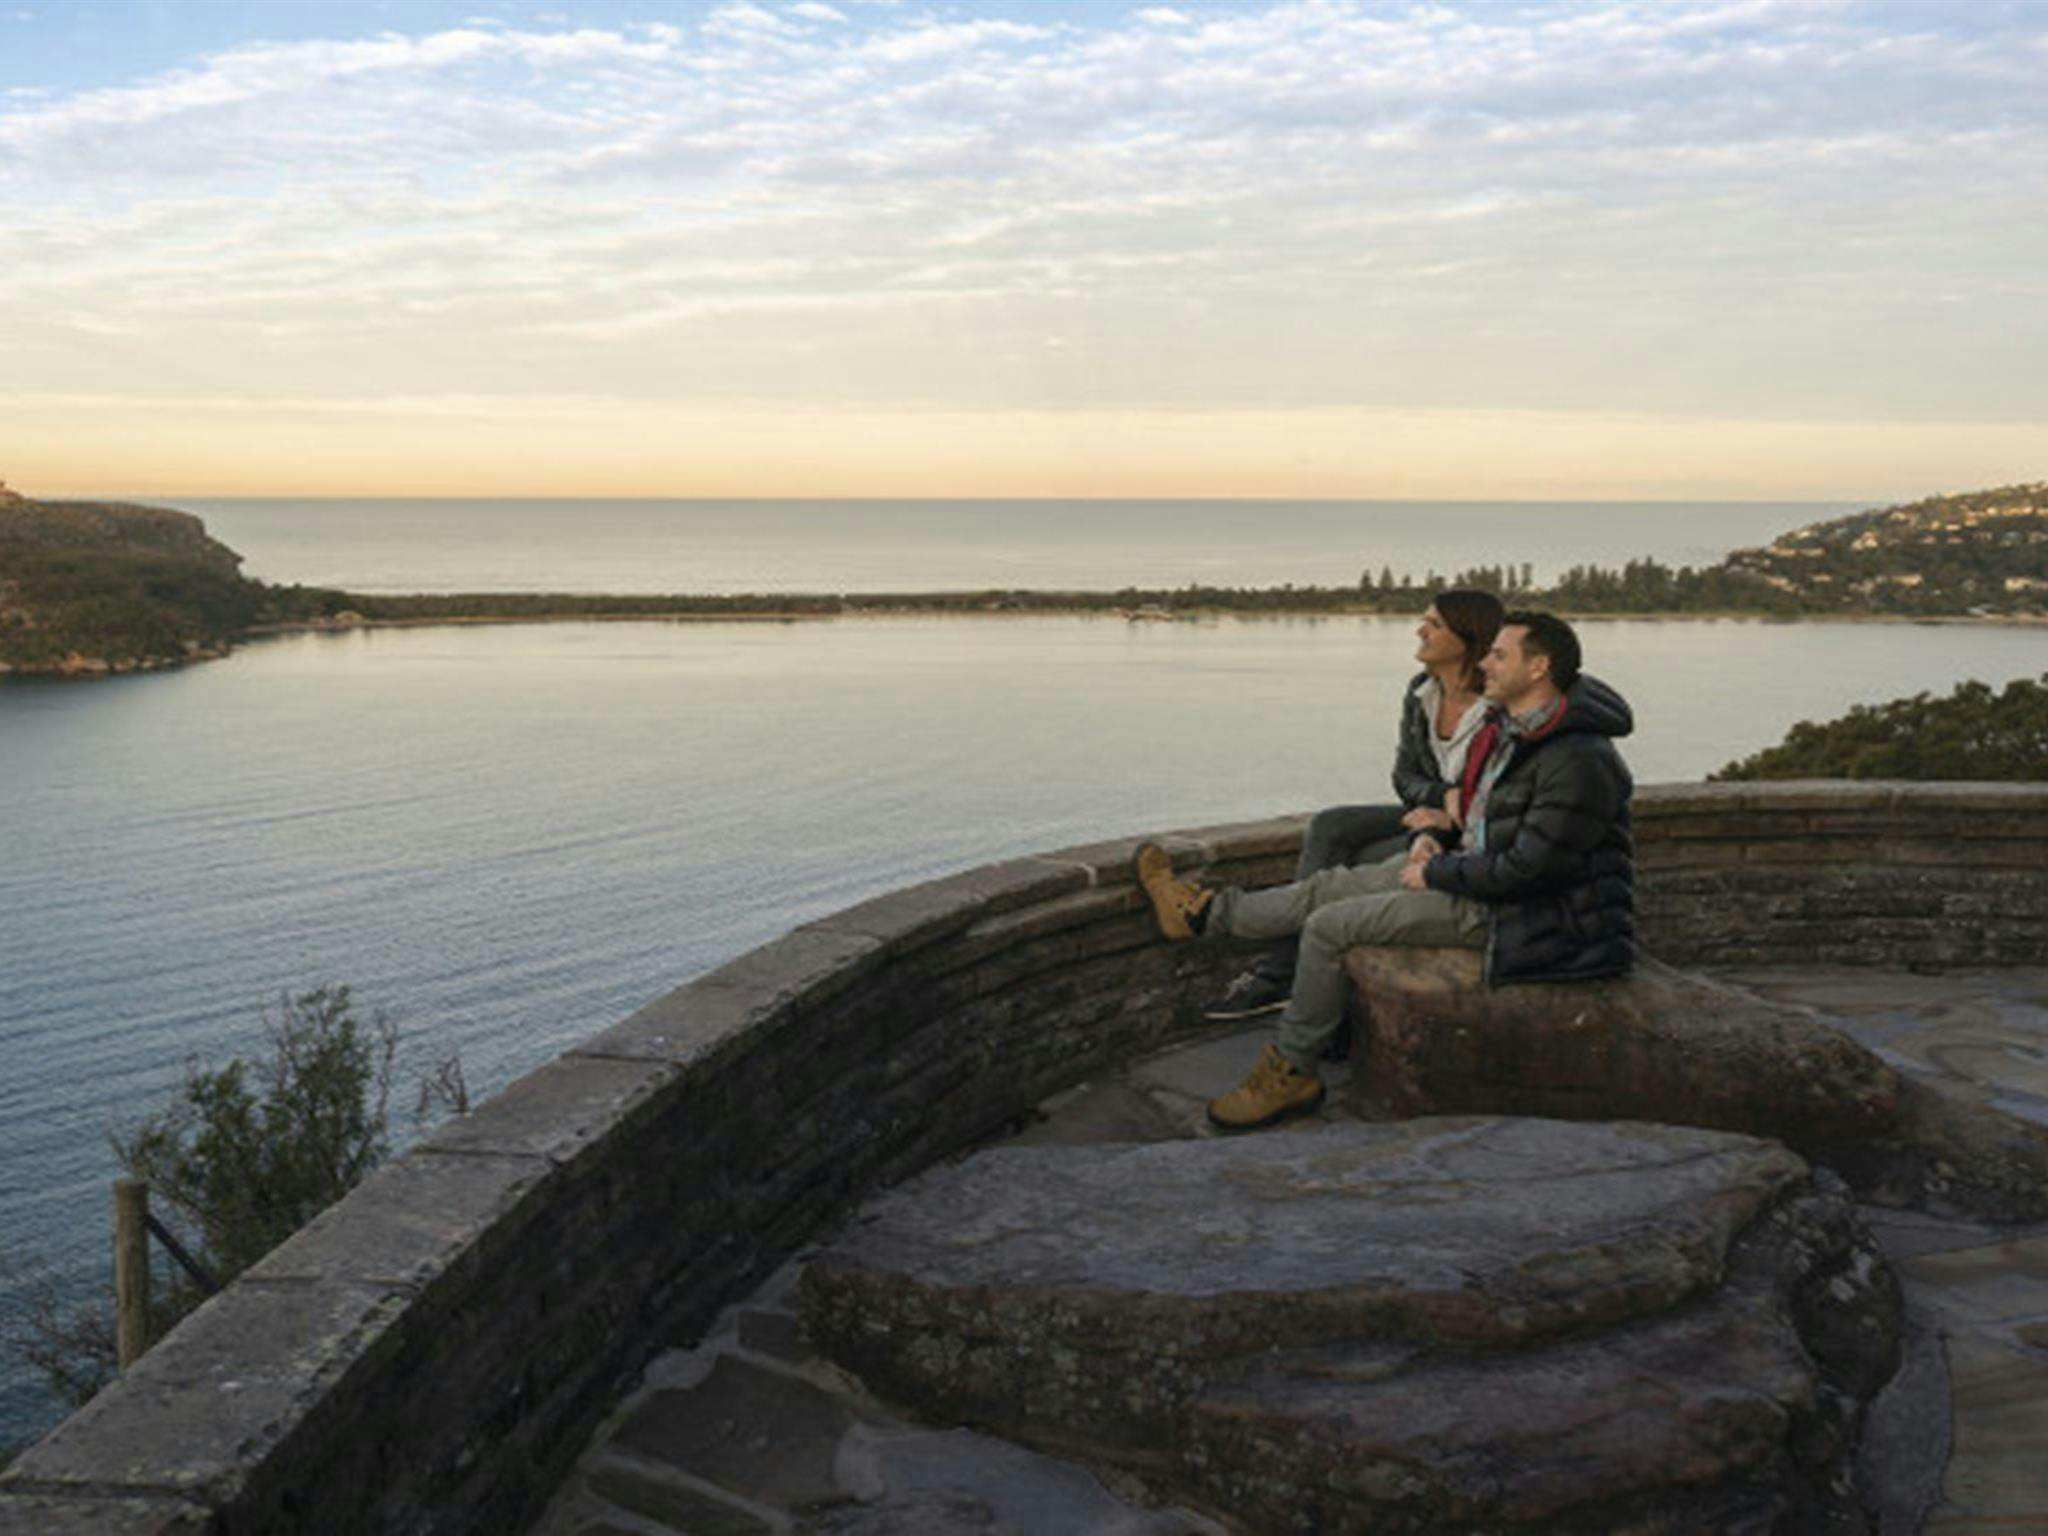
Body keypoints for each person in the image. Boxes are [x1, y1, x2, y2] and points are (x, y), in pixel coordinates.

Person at [1134, 611, 1635, 1132]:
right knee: (1329, 887)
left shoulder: (1579, 760)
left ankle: (1292, 1071)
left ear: (1539, 668)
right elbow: (1476, 820)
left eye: (1499, 654)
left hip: (1532, 919)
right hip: (1475, 874)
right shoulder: (1508, 730)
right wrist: (1432, 839)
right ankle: (1202, 913)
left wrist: (1437, 873)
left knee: (1331, 927)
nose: (1484, 662)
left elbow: (1533, 871)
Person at [1203, 589, 1505, 1024]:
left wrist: (1447, 815)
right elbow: (1405, 777)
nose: (1420, 630)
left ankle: (1277, 975)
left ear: (1469, 637)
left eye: (1434, 624)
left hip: (1473, 829)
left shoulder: (1498, 707)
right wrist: (1440, 799)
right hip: (1433, 812)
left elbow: (1497, 792)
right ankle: (1281, 973)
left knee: (1357, 863)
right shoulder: (1422, 691)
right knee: (1331, 826)